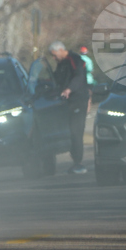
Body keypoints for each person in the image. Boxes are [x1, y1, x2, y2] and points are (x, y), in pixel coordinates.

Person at [50, 41, 89, 175]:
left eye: (55, 55)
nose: (54, 59)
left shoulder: (74, 59)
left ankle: (78, 162)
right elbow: (57, 79)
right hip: (67, 102)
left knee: (76, 131)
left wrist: (69, 89)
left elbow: (79, 77)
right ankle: (75, 161)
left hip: (78, 100)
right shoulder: (61, 63)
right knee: (70, 131)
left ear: (61, 50)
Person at [79, 45, 96, 110]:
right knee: (88, 95)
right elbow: (90, 70)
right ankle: (87, 109)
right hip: (88, 80)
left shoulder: (77, 58)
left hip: (78, 80)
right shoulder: (88, 60)